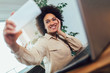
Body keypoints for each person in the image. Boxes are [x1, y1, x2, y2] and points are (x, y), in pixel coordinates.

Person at [3, 5, 83, 73]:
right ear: (43, 26)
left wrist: (60, 32)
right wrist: (13, 45)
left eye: (54, 19)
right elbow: (33, 57)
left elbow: (79, 47)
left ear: (58, 20)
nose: (52, 23)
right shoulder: (43, 42)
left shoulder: (62, 37)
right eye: (47, 22)